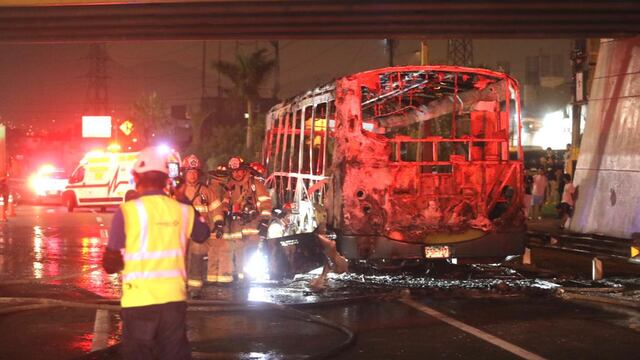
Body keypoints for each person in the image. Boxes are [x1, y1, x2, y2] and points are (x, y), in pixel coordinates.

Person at [102, 146, 210, 360]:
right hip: (173, 301)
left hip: (139, 301)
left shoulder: (127, 211)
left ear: (136, 177)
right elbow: (203, 233)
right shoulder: (183, 210)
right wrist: (183, 199)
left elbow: (110, 265)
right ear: (166, 179)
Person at [214, 156, 272, 282]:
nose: (237, 173)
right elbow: (225, 203)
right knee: (237, 253)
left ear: (245, 170)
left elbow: (266, 203)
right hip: (236, 226)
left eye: (239, 170)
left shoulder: (255, 184)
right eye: (234, 171)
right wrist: (222, 217)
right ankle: (241, 279)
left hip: (253, 225)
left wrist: (265, 221)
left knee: (251, 252)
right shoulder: (230, 186)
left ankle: (248, 278)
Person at [181, 155, 224, 296]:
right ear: (184, 173)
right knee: (180, 259)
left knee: (197, 259)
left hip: (198, 232)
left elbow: (216, 208)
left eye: (195, 172)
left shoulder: (206, 191)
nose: (192, 175)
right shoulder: (178, 190)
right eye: (189, 172)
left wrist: (218, 222)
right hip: (181, 231)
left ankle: (195, 289)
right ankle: (179, 287)